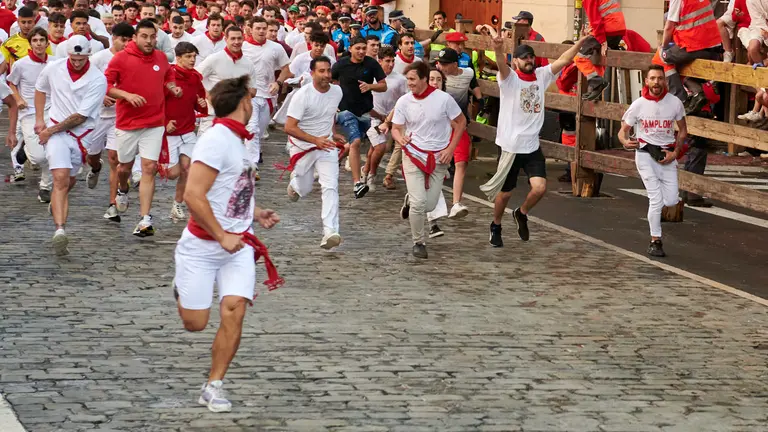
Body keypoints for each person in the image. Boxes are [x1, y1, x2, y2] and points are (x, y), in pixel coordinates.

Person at [173, 75, 281, 414]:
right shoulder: (216, 139)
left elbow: (231, 188)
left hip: (238, 247)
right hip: (203, 246)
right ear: (244, 104)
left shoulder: (238, 140)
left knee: (234, 309)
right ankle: (182, 288)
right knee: (196, 323)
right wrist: (222, 235)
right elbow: (193, 194)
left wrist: (256, 212)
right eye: (250, 99)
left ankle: (214, 384)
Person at [483, 36, 586, 248]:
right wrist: (498, 49)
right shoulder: (509, 79)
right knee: (505, 195)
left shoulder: (541, 75)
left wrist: (581, 42)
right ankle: (496, 225)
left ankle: (521, 213)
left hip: (531, 146)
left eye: (531, 57)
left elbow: (565, 59)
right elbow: (501, 65)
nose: (528, 60)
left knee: (539, 188)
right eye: (524, 58)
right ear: (516, 62)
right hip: (511, 147)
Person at [105, 19, 179, 236]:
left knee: (149, 168)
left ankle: (145, 219)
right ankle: (122, 188)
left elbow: (168, 76)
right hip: (128, 122)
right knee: (124, 168)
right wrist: (126, 95)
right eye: (144, 36)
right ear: (135, 37)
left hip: (155, 122)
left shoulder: (161, 57)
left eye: (152, 37)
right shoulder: (121, 58)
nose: (148, 41)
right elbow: (106, 85)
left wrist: (172, 87)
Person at [34, 35, 107, 255]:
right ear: (68, 54)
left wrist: (49, 130)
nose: (77, 62)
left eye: (81, 59)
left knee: (68, 181)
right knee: (59, 178)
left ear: (88, 56)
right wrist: (40, 119)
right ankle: (60, 231)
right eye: (73, 58)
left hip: (81, 134)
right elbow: (40, 89)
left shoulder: (98, 79)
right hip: (56, 131)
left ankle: (58, 202)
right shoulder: (53, 69)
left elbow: (81, 117)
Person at [391, 61, 465, 259]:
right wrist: (400, 138)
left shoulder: (444, 99)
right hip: (413, 154)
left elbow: (461, 122)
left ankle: (411, 200)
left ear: (424, 79)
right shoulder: (404, 101)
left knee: (430, 205)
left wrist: (451, 148)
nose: (410, 84)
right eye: (408, 80)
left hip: (439, 156)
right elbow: (395, 128)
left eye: (413, 79)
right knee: (419, 203)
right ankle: (418, 242)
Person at [618, 65, 687, 258]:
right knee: (655, 199)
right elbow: (622, 131)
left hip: (667, 153)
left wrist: (675, 153)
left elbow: (682, 130)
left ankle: (654, 218)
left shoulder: (674, 103)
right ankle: (655, 240)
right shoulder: (638, 104)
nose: (656, 82)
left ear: (665, 81)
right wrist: (625, 142)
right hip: (645, 153)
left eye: (660, 78)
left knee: (672, 200)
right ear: (646, 81)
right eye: (653, 78)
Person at [283, 55, 346, 249]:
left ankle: (330, 232)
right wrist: (314, 140)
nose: (327, 74)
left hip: (326, 146)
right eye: (322, 71)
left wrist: (332, 135)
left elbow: (329, 115)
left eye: (328, 70)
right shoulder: (302, 95)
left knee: (330, 186)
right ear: (312, 73)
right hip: (302, 147)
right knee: (305, 188)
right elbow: (289, 127)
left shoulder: (337, 92)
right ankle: (295, 184)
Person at [332, 36, 387, 199]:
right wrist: (334, 94)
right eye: (358, 48)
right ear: (350, 49)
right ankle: (357, 183)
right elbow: (330, 80)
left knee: (352, 143)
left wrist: (370, 86)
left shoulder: (371, 64)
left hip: (364, 113)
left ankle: (335, 159)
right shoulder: (341, 64)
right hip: (344, 111)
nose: (362, 51)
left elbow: (383, 85)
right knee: (355, 142)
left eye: (364, 48)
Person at [91, 21, 135, 222]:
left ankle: (112, 205)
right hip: (97, 115)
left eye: (128, 40)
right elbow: (86, 82)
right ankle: (94, 167)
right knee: (92, 155)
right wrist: (100, 96)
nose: (125, 43)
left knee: (115, 159)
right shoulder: (99, 58)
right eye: (122, 39)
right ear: (113, 38)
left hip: (119, 116)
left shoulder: (132, 59)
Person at [163, 41, 208, 221]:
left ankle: (177, 204)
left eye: (194, 56)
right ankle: (143, 164)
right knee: (173, 174)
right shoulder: (168, 77)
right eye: (188, 57)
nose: (192, 60)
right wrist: (165, 122)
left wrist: (201, 104)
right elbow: (157, 101)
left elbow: (198, 99)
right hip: (169, 132)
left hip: (188, 129)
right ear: (178, 57)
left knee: (188, 170)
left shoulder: (195, 77)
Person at [436, 47, 481, 220]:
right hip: (440, 127)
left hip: (459, 126)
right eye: (440, 63)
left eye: (446, 64)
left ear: (455, 64)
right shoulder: (437, 77)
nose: (442, 66)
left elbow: (474, 84)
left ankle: (456, 203)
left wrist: (479, 99)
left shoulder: (468, 73)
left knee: (462, 162)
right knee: (436, 166)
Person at [7, 27, 51, 201]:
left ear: (47, 43)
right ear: (30, 44)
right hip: (29, 113)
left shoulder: (55, 62)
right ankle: (26, 149)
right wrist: (18, 99)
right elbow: (11, 83)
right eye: (35, 40)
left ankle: (45, 187)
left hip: (51, 111)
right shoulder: (21, 64)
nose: (39, 43)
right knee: (38, 156)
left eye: (42, 40)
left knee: (52, 151)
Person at [242, 16, 290, 169]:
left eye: (264, 28)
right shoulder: (242, 47)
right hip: (248, 94)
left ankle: (247, 153)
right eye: (258, 28)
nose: (261, 31)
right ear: (251, 29)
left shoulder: (275, 47)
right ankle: (252, 165)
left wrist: (278, 82)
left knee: (259, 131)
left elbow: (287, 69)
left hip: (268, 95)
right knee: (253, 128)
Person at [195, 25, 258, 137]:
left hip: (234, 116)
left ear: (243, 39)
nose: (236, 42)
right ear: (226, 39)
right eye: (233, 38)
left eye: (239, 38)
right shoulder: (214, 58)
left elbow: (253, 90)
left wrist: (240, 95)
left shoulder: (248, 63)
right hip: (212, 114)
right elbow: (194, 77)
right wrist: (208, 95)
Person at [361, 46, 405, 193]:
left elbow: (402, 99)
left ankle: (366, 171)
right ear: (379, 61)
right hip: (373, 117)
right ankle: (372, 175)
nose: (391, 64)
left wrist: (394, 118)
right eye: (387, 61)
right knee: (380, 147)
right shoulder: (371, 77)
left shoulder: (399, 79)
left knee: (375, 148)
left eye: (393, 60)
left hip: (392, 118)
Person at [573, 0, 627, 100]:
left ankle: (597, 83)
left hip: (608, 30)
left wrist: (602, 40)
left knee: (579, 57)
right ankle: (596, 88)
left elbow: (595, 20)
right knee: (598, 57)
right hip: (617, 30)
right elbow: (600, 14)